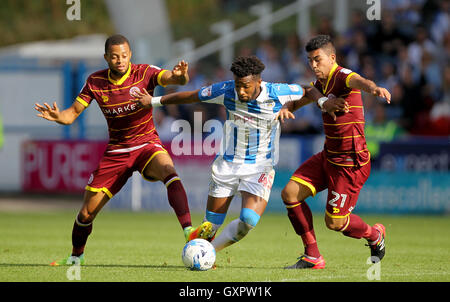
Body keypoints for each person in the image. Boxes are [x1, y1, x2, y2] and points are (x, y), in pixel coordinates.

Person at [131, 55, 346, 257]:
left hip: (260, 168)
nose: (241, 91)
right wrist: (154, 101)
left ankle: (208, 253)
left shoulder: (277, 91)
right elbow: (192, 95)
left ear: (259, 81)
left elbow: (307, 90)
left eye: (246, 86)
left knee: (248, 221)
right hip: (227, 166)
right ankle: (201, 251)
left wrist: (321, 103)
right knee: (210, 227)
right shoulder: (225, 91)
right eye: (238, 85)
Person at [35, 34, 212, 266]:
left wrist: (180, 76)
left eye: (125, 56)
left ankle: (189, 230)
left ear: (131, 55)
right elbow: (71, 114)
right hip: (116, 152)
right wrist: (59, 117)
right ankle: (76, 257)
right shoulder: (95, 82)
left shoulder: (144, 72)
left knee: (169, 170)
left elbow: (172, 79)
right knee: (86, 213)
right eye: (115, 56)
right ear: (106, 57)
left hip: (147, 143)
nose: (120, 60)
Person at [279, 35, 391, 269]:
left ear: (332, 58)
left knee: (335, 223)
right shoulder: (320, 84)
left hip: (351, 164)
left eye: (317, 60)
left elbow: (360, 81)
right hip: (328, 156)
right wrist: (287, 107)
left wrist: (374, 88)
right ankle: (312, 256)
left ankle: (374, 234)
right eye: (310, 60)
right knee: (289, 194)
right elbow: (306, 95)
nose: (313, 65)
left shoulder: (342, 76)